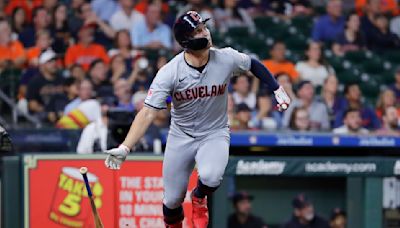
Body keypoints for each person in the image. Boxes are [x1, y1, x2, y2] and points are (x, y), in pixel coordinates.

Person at [104, 11, 290, 228]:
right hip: (180, 136)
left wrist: (277, 88)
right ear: (186, 41)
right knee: (172, 200)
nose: (206, 32)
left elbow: (253, 64)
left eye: (204, 27)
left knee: (212, 177)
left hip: (214, 132)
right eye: (198, 30)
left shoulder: (225, 58)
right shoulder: (170, 72)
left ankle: (199, 197)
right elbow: (148, 112)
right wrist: (126, 147)